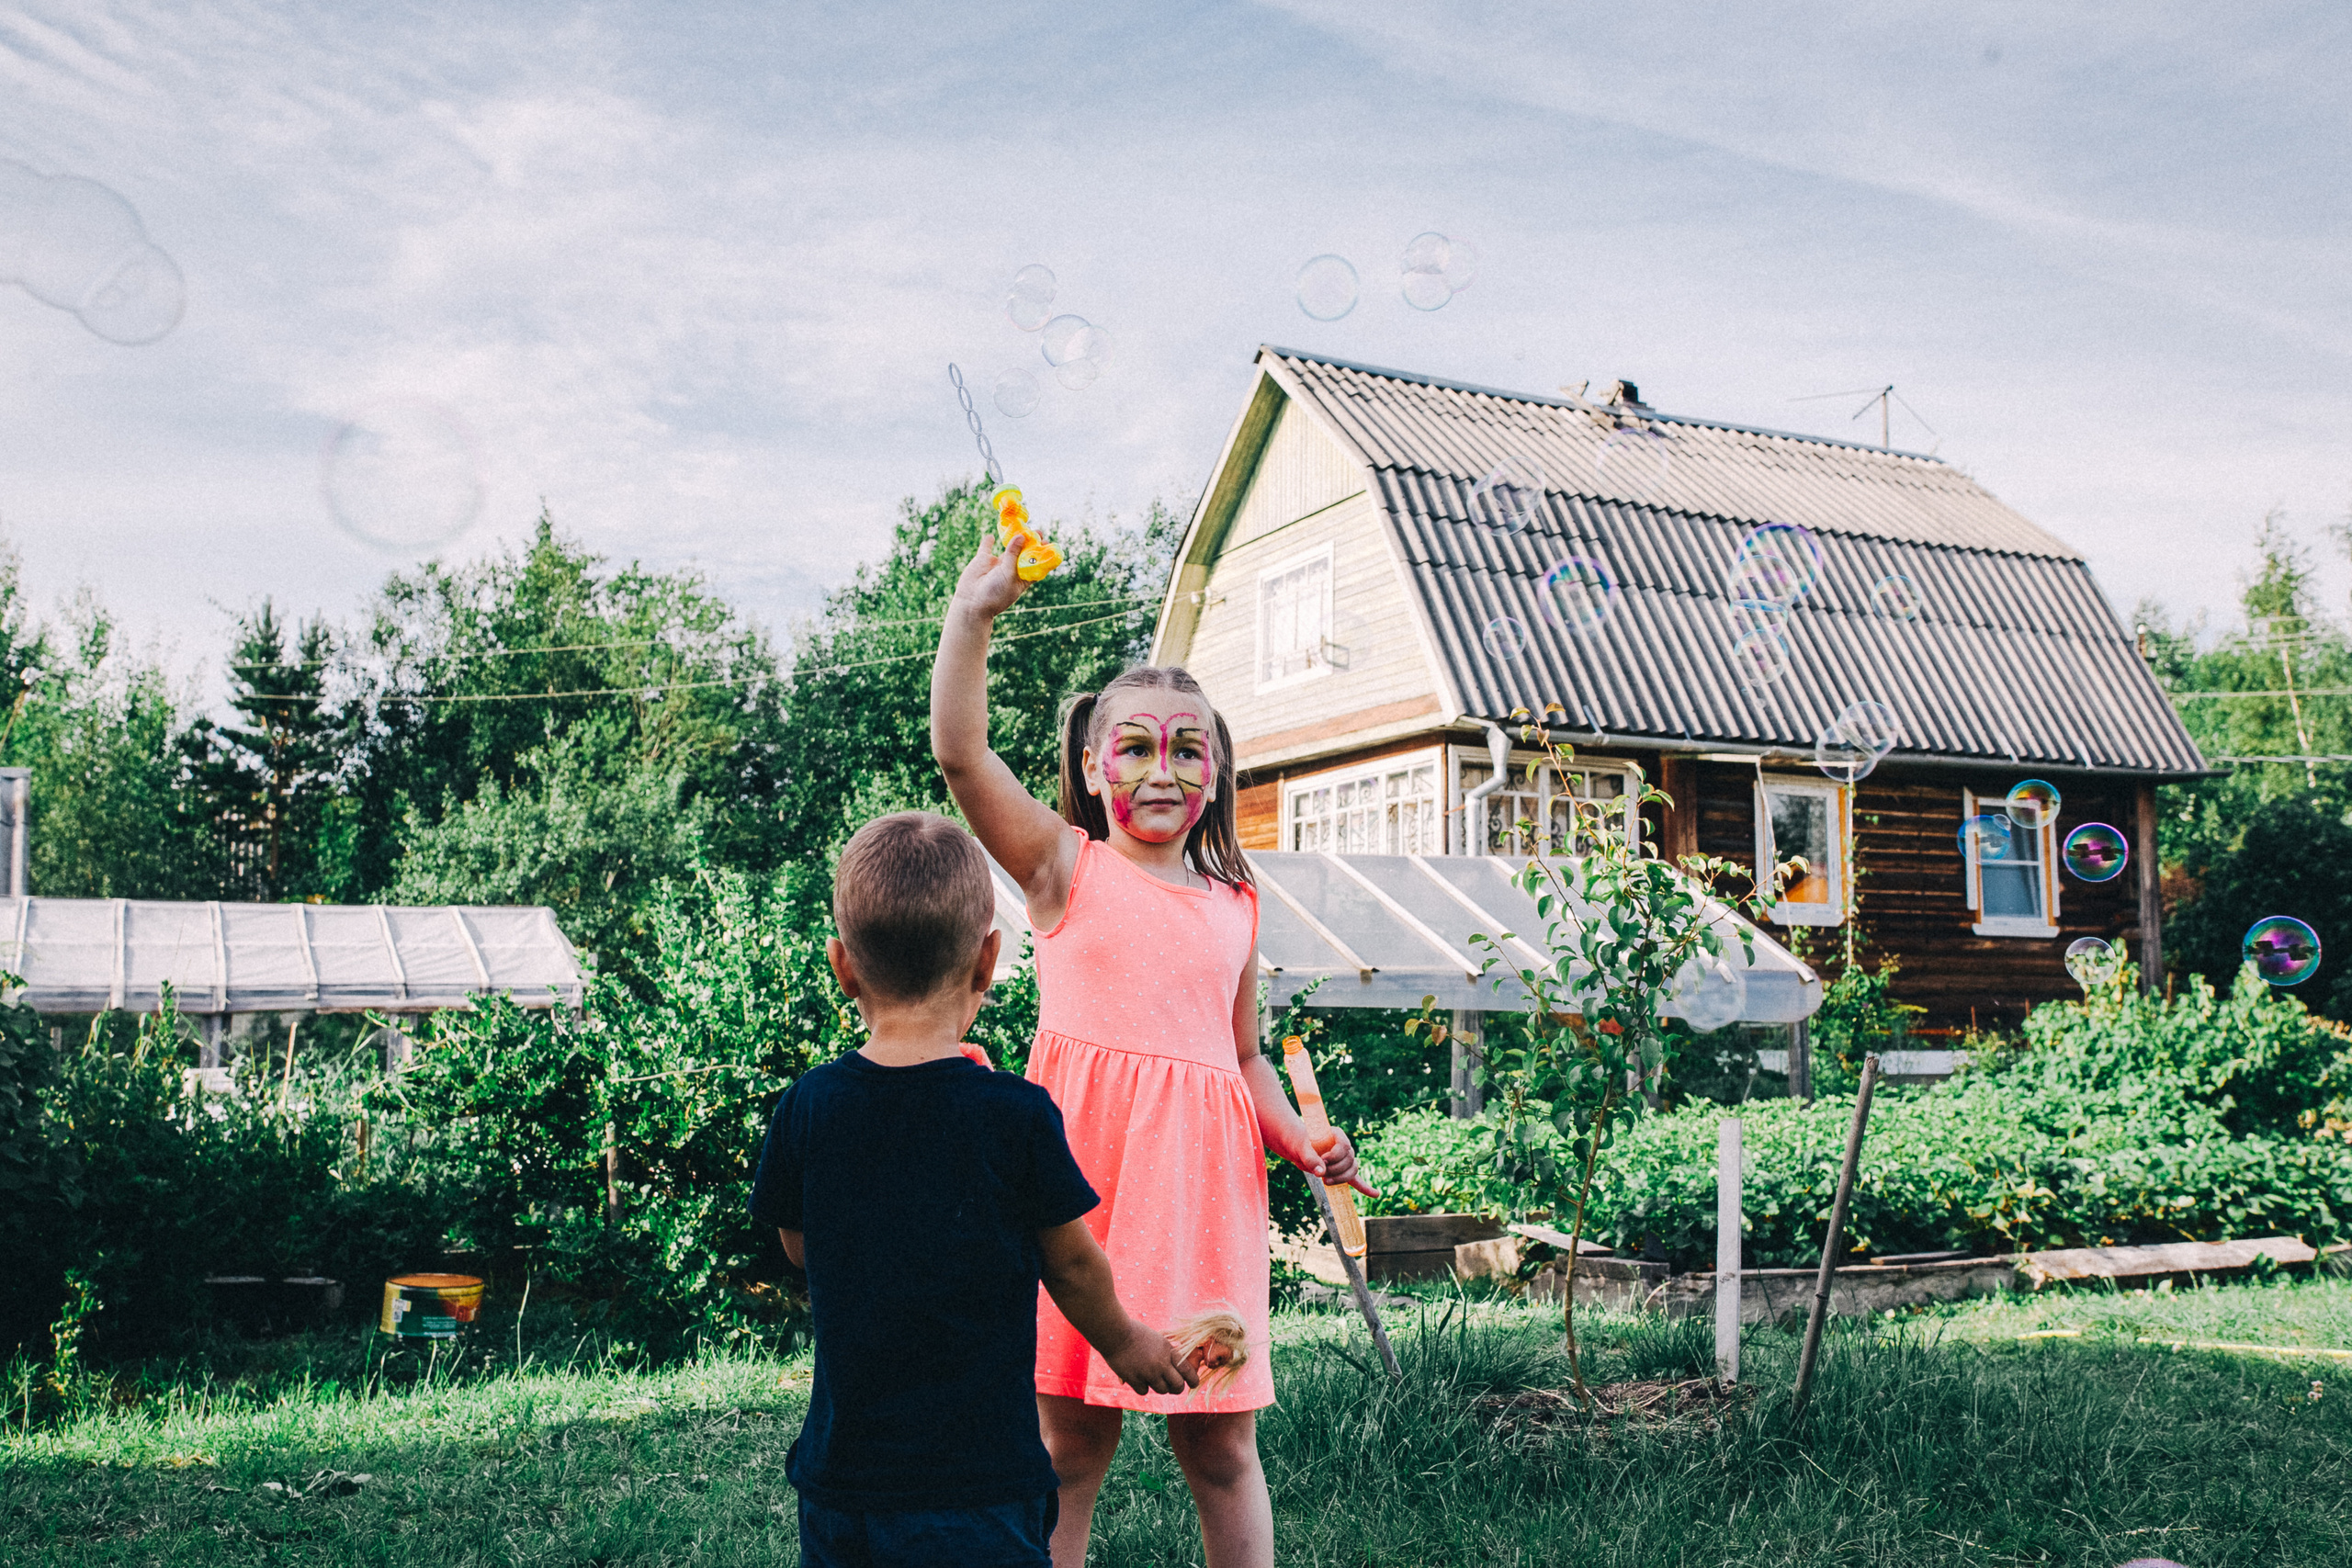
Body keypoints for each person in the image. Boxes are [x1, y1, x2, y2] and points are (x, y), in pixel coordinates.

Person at [931, 528, 1375, 1568]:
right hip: (1078, 1197)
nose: (1161, 769)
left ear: (1216, 773)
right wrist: (971, 617)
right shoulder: (1062, 867)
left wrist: (1300, 1138)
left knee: (1221, 1446)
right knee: (1069, 1445)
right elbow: (961, 754)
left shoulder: (1237, 902)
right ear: (1092, 767)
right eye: (1134, 747)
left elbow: (1243, 1057)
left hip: (1202, 1203)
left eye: (1186, 749)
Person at [750, 811, 1195, 1568]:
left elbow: (799, 1247)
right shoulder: (1016, 1115)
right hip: (983, 1482)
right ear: (988, 960)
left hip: (845, 1480)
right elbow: (1072, 1264)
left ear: (842, 965)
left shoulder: (808, 1106)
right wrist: (1124, 1341)